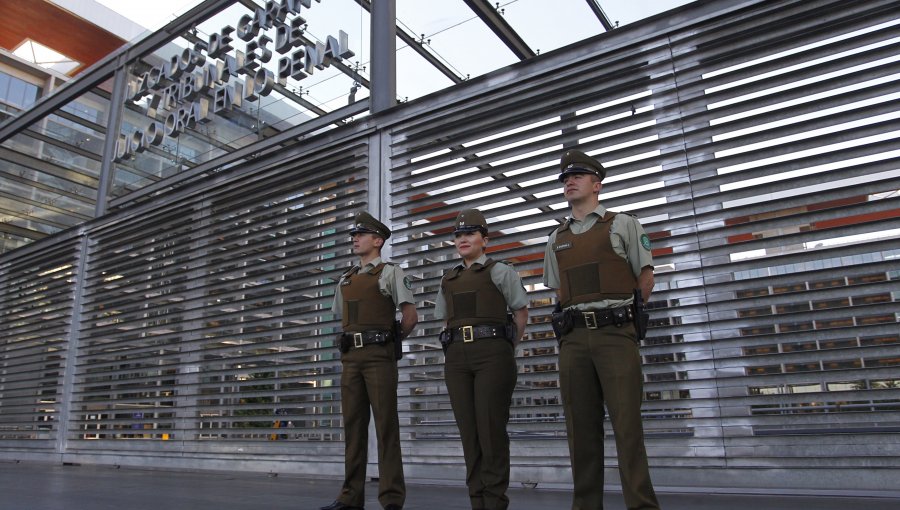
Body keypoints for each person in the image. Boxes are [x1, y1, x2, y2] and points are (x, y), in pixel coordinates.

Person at [542, 150, 660, 510]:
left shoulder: (623, 224)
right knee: (580, 432)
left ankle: (641, 505)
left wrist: (617, 315)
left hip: (615, 334)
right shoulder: (556, 237)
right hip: (575, 339)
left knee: (627, 428)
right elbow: (559, 290)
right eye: (565, 178)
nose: (569, 182)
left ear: (597, 184)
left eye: (577, 176)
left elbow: (645, 278)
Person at [322, 211, 418, 510]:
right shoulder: (346, 279)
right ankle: (350, 498)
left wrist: (389, 341)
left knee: (386, 427)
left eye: (361, 234)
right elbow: (343, 320)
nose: (355, 238)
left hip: (379, 357)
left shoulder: (390, 272)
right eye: (354, 234)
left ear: (378, 241)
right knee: (353, 427)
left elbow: (411, 317)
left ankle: (391, 499)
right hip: (351, 358)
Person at [435, 209, 529, 510]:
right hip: (457, 359)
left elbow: (521, 313)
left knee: (491, 431)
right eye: (458, 235)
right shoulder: (448, 279)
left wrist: (506, 348)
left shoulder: (501, 271)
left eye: (470, 234)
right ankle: (477, 501)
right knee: (469, 432)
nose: (463, 239)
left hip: (493, 355)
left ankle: (495, 502)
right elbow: (444, 320)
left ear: (484, 240)